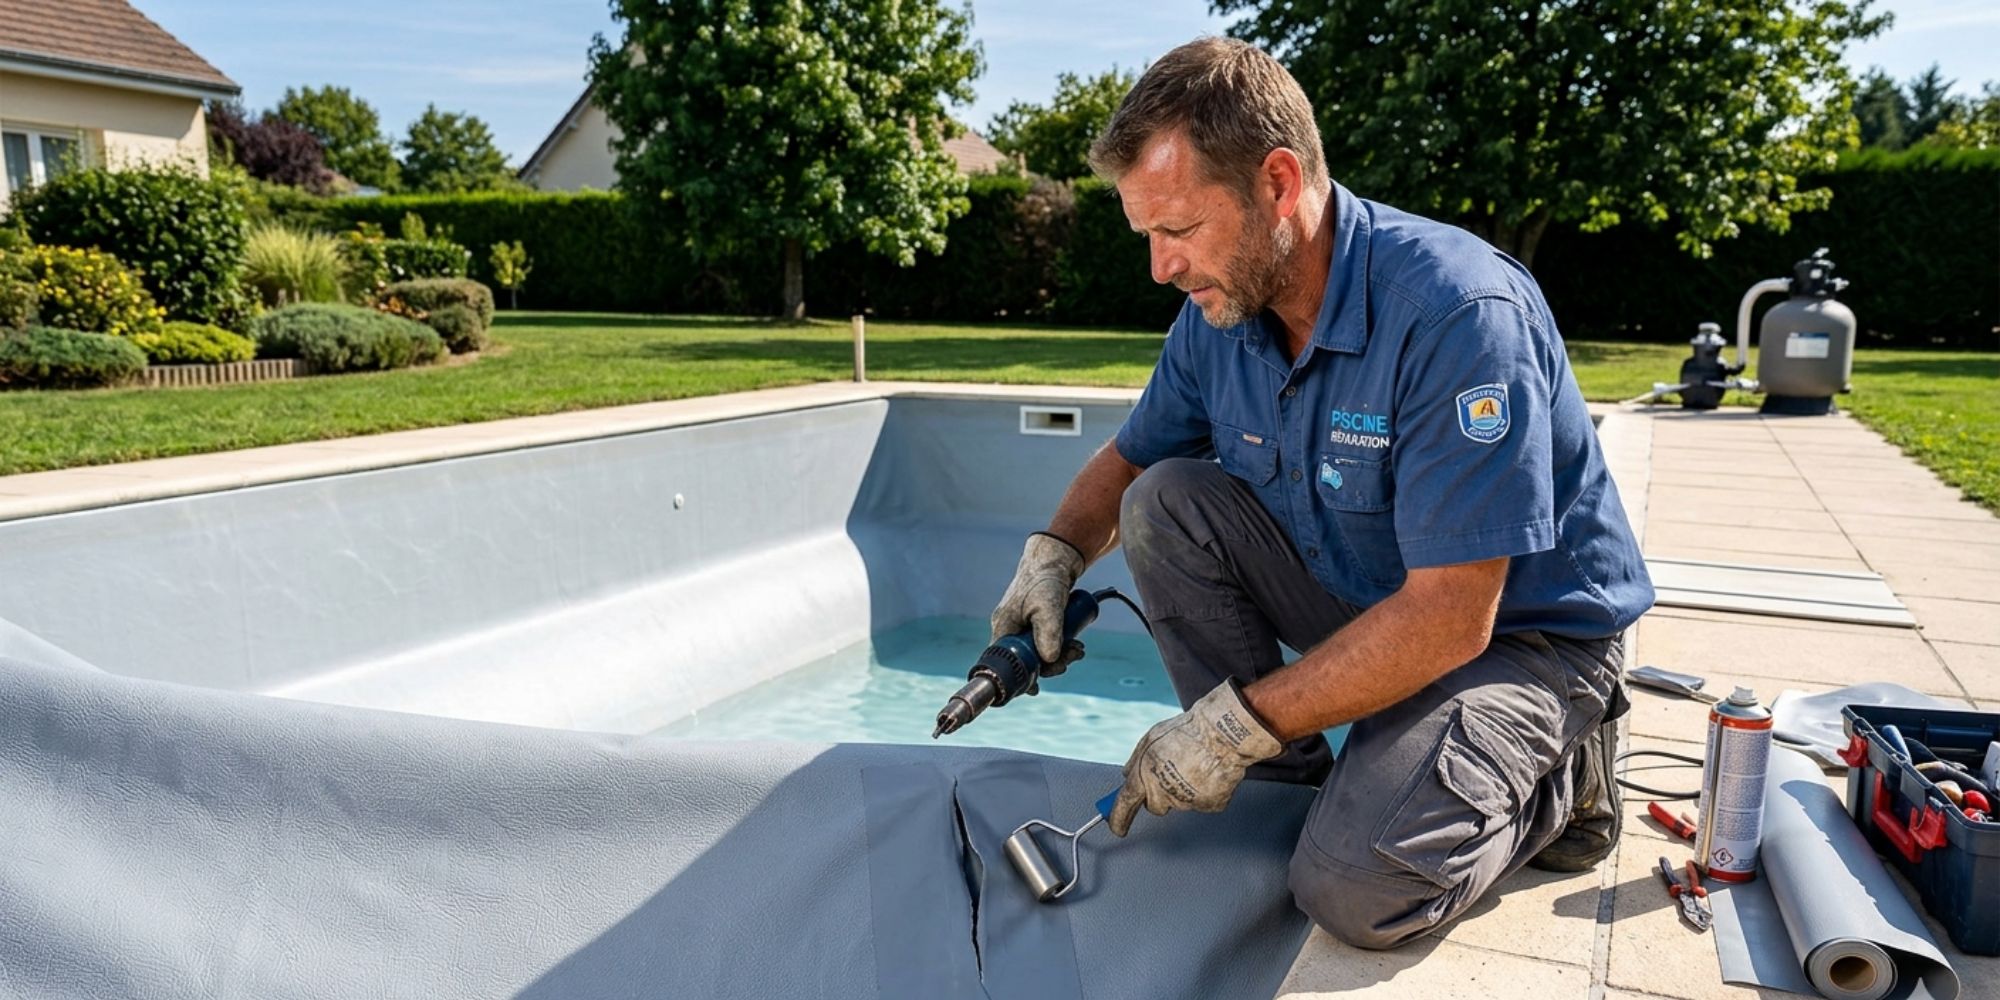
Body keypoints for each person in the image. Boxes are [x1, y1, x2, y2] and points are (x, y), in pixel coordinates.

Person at [987, 37, 1654, 950]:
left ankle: (1564, 776)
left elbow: (1455, 618)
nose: (1161, 267)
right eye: (1147, 236)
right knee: (1165, 502)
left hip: (1523, 638)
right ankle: (1290, 782)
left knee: (1354, 890)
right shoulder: (1222, 315)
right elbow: (1132, 462)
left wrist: (1228, 726)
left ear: (1277, 182)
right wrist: (1054, 554)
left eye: (1178, 230)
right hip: (1383, 596)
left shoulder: (1457, 315)